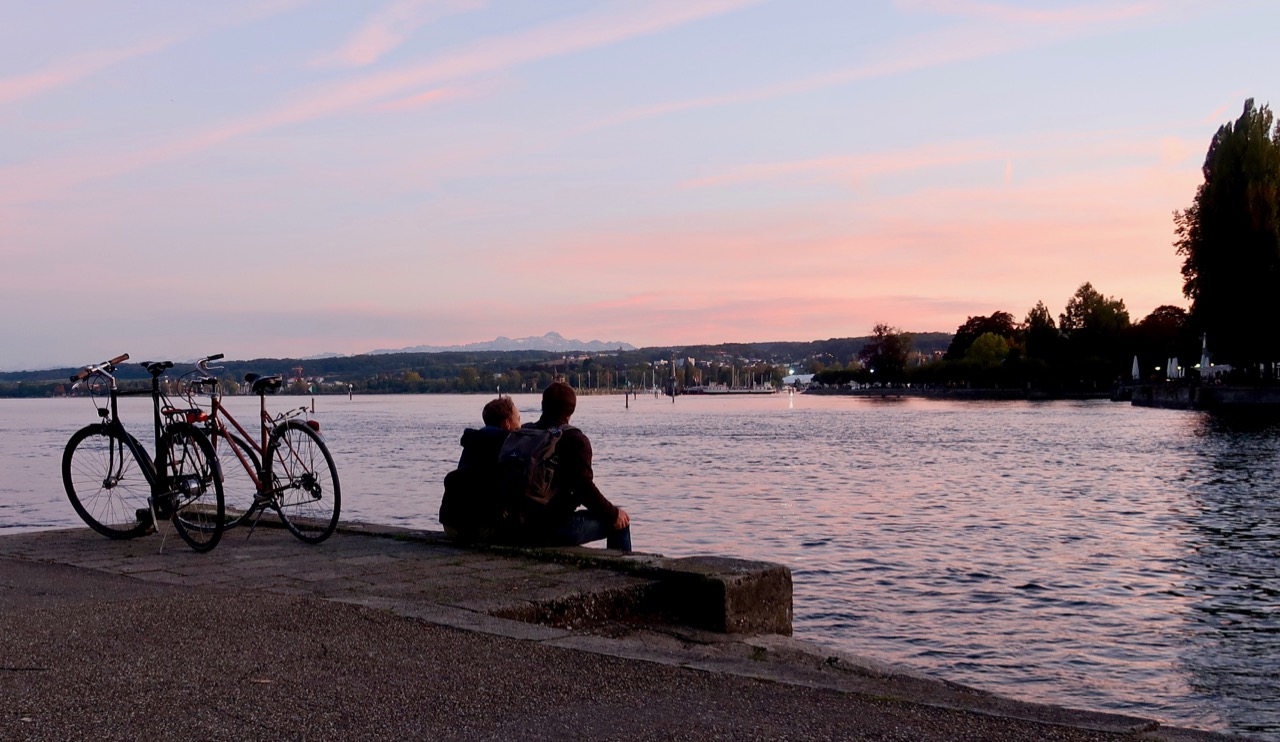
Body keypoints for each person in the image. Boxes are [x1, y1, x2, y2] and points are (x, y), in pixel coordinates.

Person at [513, 381, 631, 551]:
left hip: (514, 523)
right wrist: (614, 513)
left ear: (543, 405)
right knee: (621, 523)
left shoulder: (524, 432)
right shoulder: (574, 439)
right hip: (551, 528)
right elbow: (584, 489)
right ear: (572, 409)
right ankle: (623, 573)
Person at [438, 396, 520, 541]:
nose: (520, 425)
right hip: (483, 526)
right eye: (518, 419)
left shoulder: (472, 441)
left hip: (451, 526)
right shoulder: (510, 445)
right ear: (507, 423)